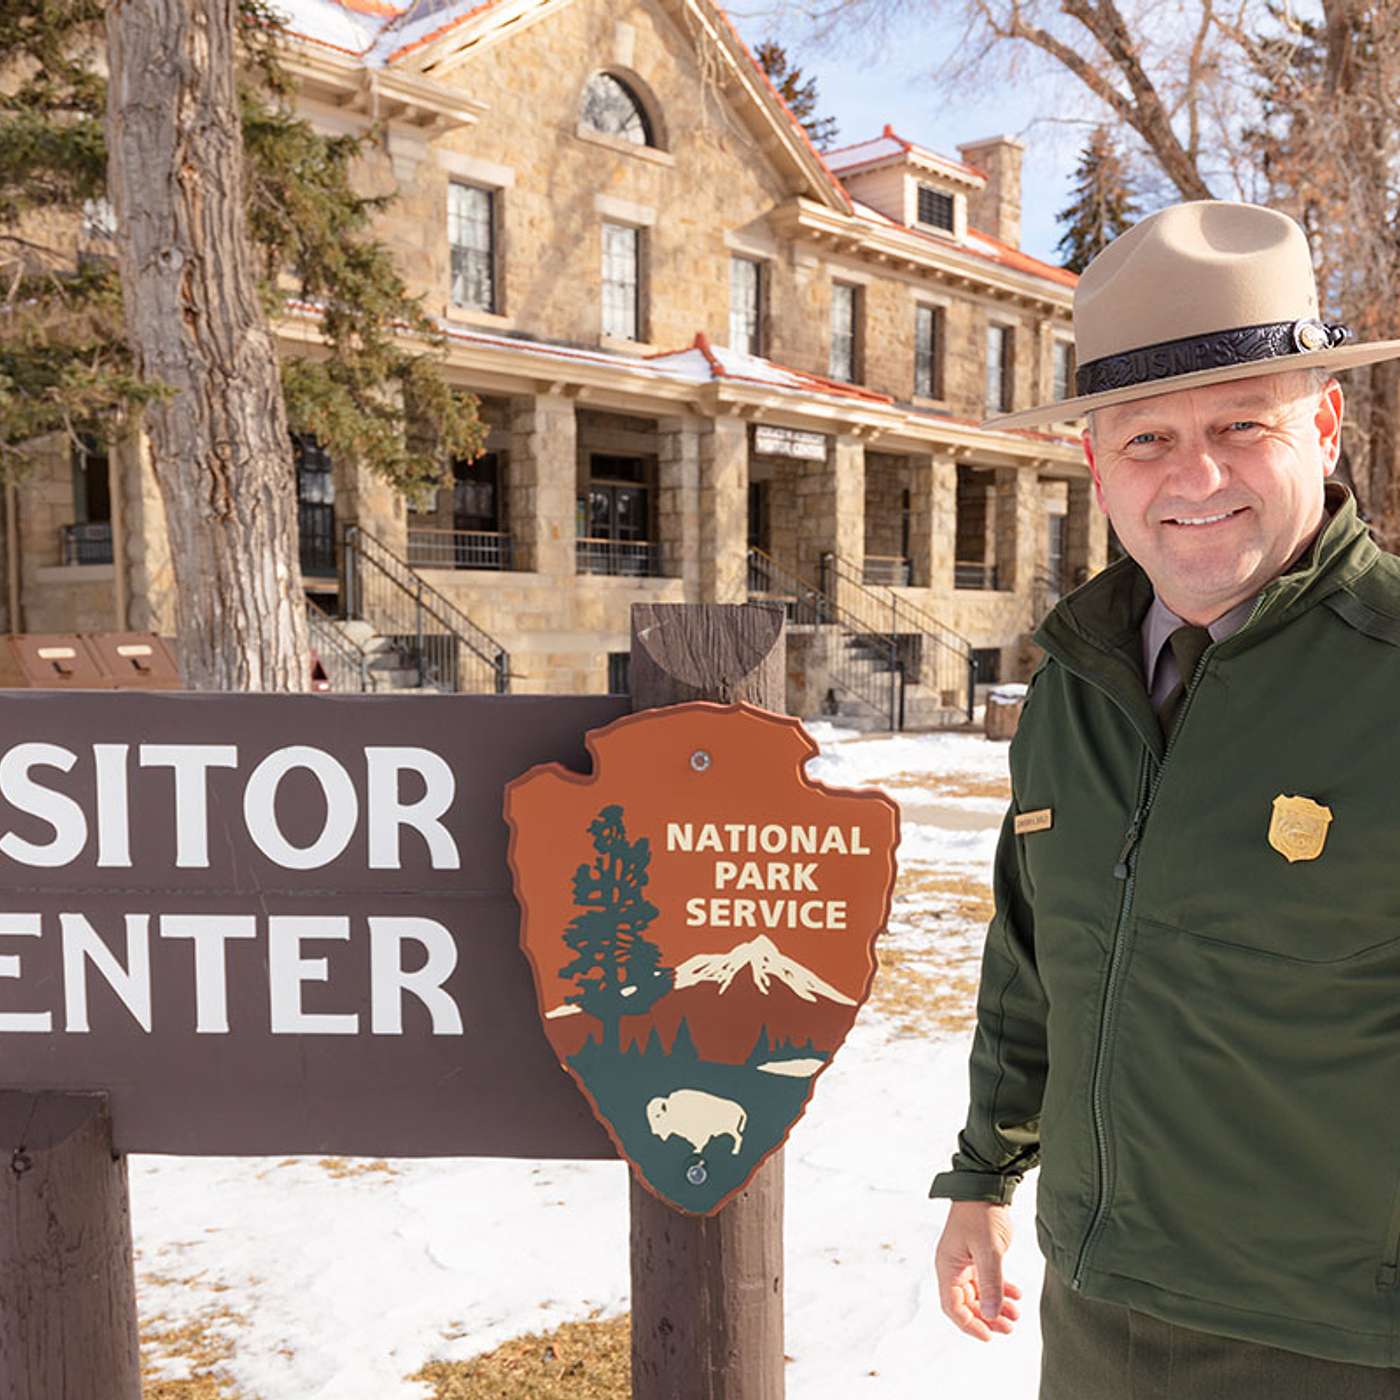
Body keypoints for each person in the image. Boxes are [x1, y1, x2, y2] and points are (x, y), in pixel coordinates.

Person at [928, 200, 1400, 1398]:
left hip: (1339, 1345)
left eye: (1241, 424)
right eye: (1144, 439)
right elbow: (1035, 956)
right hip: (1094, 1320)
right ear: (1092, 461)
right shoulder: (1069, 692)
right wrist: (984, 1177)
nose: (1194, 476)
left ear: (1325, 425)